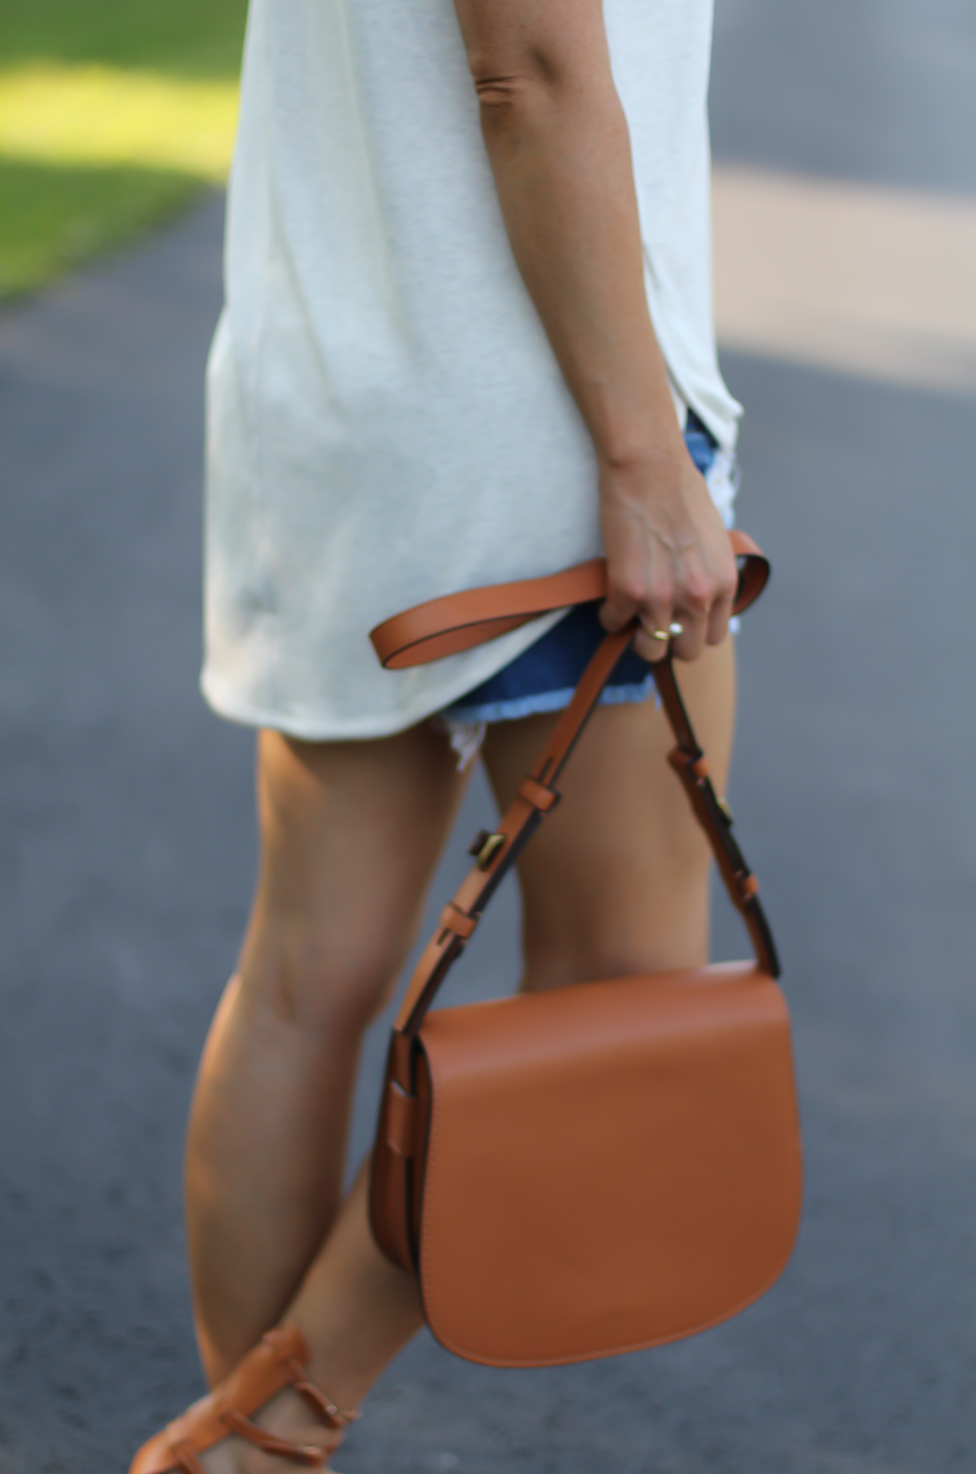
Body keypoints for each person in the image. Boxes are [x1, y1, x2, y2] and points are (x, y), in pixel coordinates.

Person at [130, 0, 744, 1468]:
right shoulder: (601, 446)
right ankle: (259, 1433)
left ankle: (256, 1441)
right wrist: (646, 459)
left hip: (345, 397)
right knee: (618, 993)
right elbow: (525, 69)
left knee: (303, 980)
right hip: (545, 429)